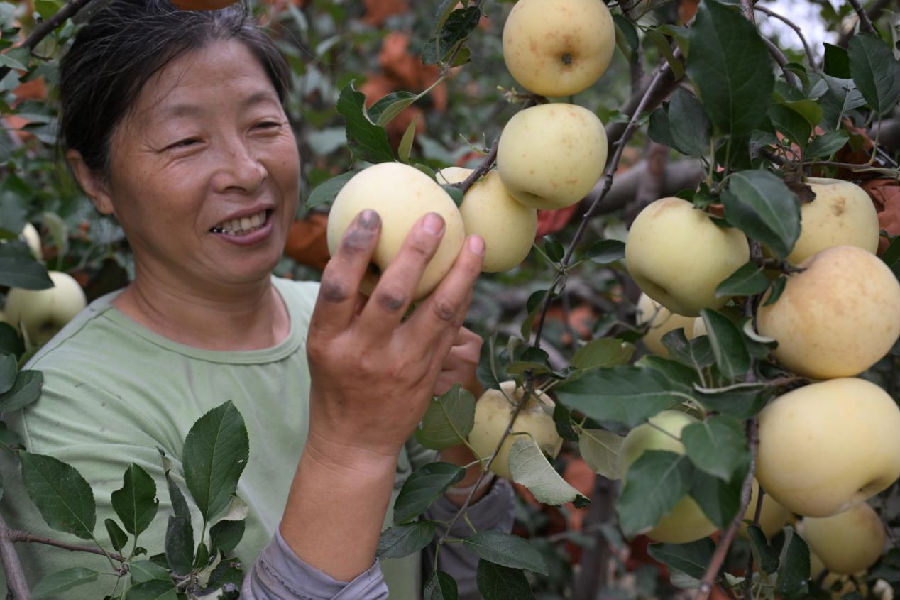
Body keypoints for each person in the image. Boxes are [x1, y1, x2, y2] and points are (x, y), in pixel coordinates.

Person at [0, 0, 515, 598]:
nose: (246, 171)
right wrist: (354, 443)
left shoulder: (364, 331)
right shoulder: (63, 415)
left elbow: (458, 576)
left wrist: (454, 441)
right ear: (95, 180)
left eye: (264, 126)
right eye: (185, 140)